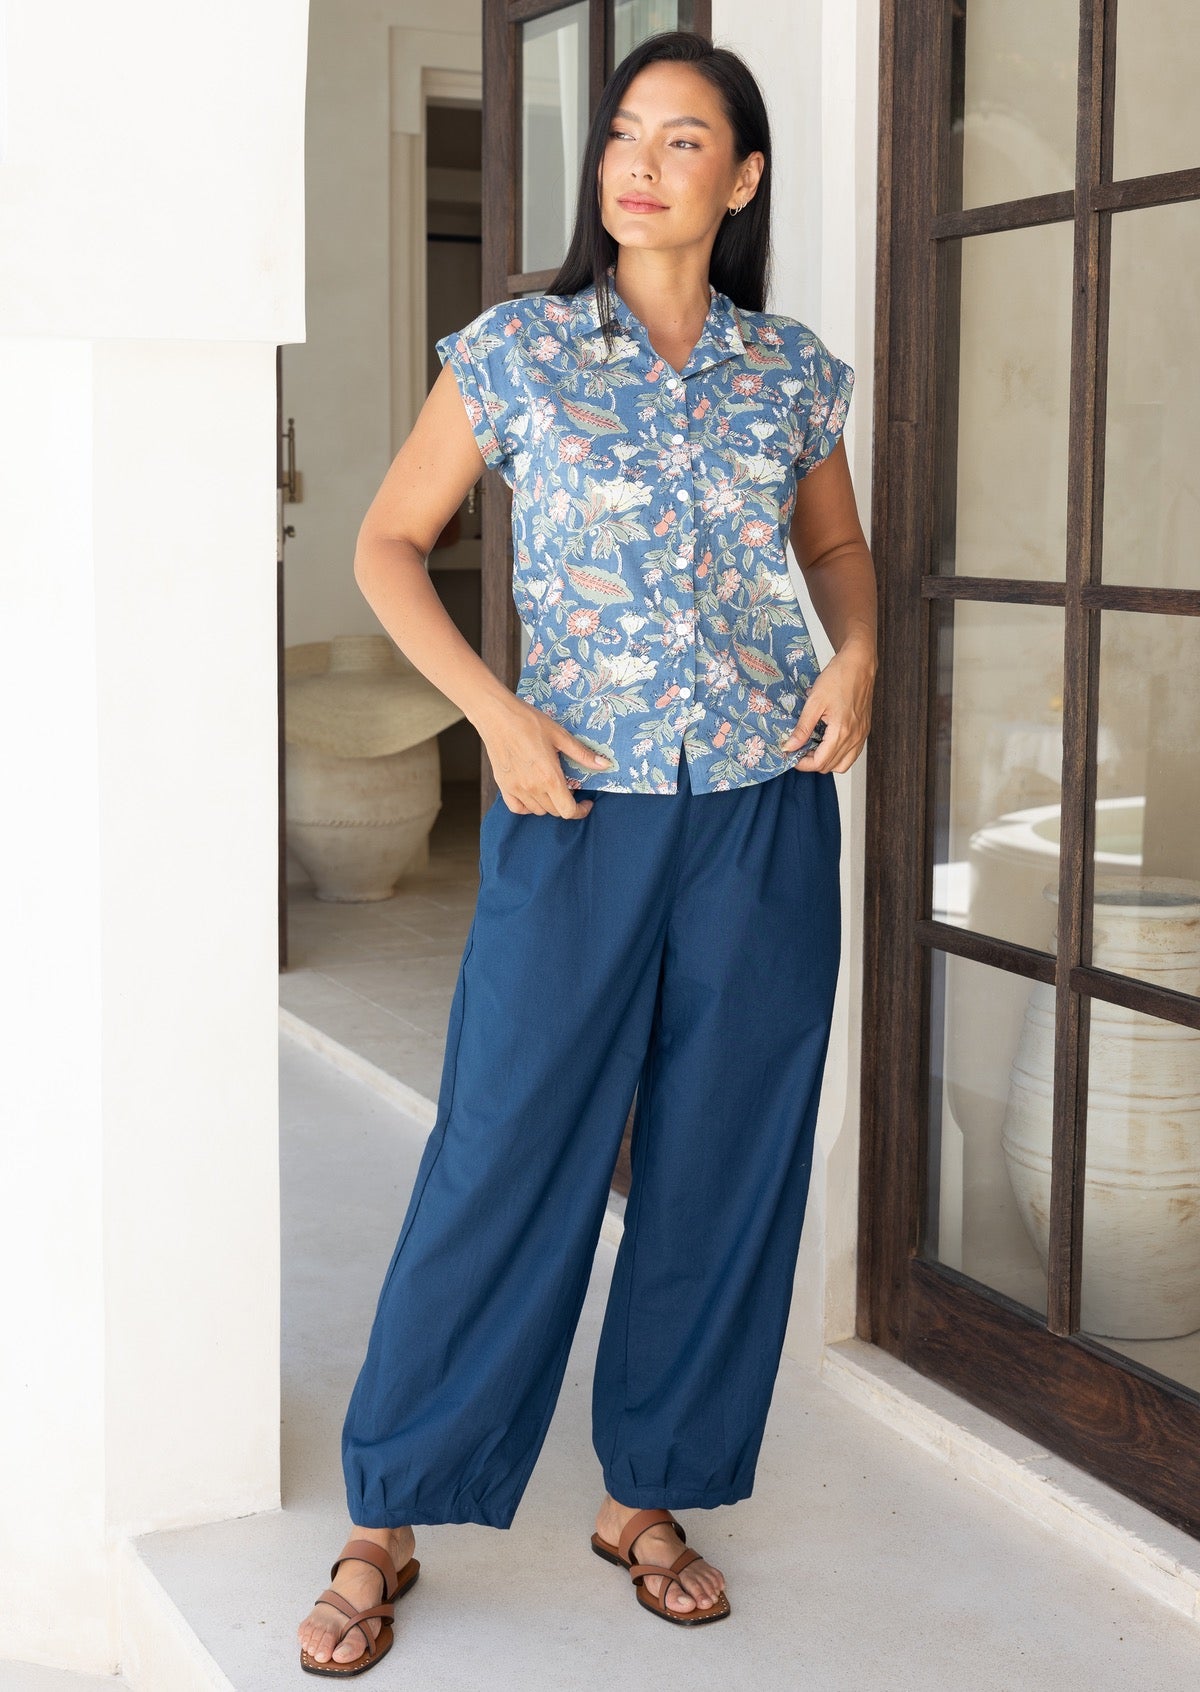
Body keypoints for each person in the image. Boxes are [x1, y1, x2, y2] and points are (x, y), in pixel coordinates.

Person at [297, 27, 876, 1677]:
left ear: (743, 179)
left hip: (762, 812)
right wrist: (493, 714)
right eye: (626, 132)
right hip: (574, 806)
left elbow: (836, 547)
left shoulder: (793, 373)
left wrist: (858, 655)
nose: (639, 160)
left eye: (683, 139)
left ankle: (650, 1494)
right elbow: (390, 542)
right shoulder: (517, 353)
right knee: (503, 1146)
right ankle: (388, 1509)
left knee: (726, 1156)